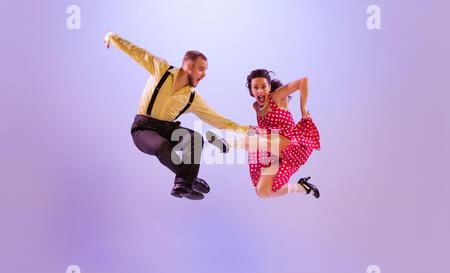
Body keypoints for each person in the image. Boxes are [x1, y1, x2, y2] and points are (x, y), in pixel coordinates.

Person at [104, 32, 249, 200]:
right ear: (188, 66)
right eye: (201, 69)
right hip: (142, 129)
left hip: (167, 128)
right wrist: (111, 37)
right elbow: (136, 52)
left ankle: (183, 183)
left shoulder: (192, 97)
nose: (204, 75)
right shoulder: (161, 69)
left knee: (196, 139)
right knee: (162, 146)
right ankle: (189, 180)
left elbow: (215, 118)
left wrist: (243, 129)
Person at [208, 69, 321, 199]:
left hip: (289, 144)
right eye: (256, 87)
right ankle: (303, 187)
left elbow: (303, 81)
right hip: (274, 152)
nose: (260, 91)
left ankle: (227, 143)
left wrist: (303, 109)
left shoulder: (277, 97)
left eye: (263, 87)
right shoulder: (256, 107)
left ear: (269, 87)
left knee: (258, 136)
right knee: (262, 191)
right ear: (251, 91)